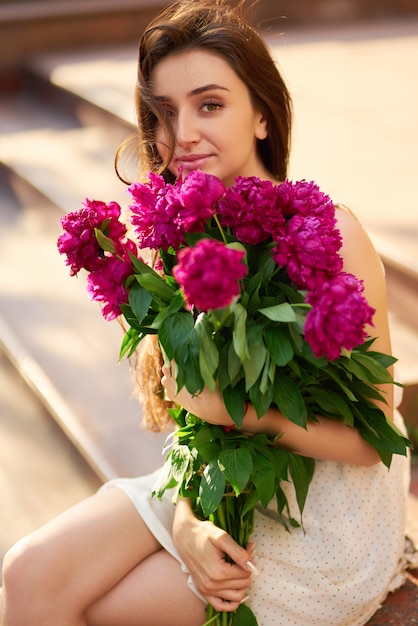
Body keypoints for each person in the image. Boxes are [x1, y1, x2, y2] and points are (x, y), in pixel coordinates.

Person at [0, 1, 413, 624]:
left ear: (263, 118)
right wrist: (191, 521)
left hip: (328, 517)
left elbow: (371, 437)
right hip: (216, 480)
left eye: (209, 104)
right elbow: (193, 425)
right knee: (27, 572)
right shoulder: (179, 242)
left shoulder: (331, 234)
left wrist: (233, 412)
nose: (182, 134)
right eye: (164, 114)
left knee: (97, 607)